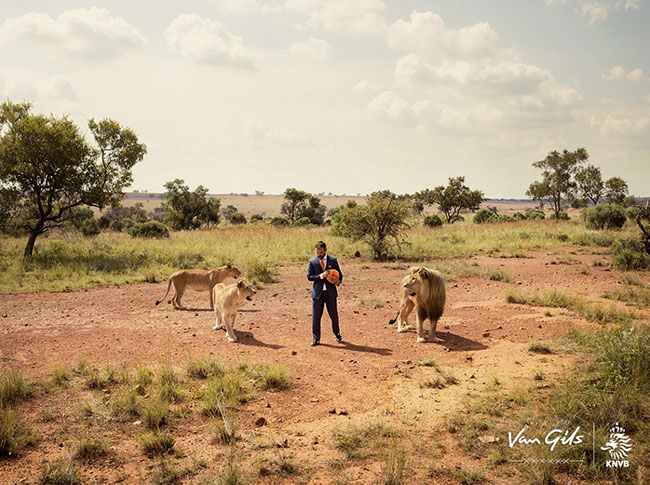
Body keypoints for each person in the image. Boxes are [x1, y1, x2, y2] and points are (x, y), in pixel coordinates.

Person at [307, 241, 343, 346]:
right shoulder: (312, 262)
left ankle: (337, 334)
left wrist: (338, 281)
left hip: (330, 293)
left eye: (321, 252)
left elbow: (340, 276)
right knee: (316, 317)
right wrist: (321, 276)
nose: (319, 254)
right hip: (317, 294)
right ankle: (316, 338)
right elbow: (309, 276)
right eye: (318, 252)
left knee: (334, 315)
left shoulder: (333, 260)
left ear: (325, 250)